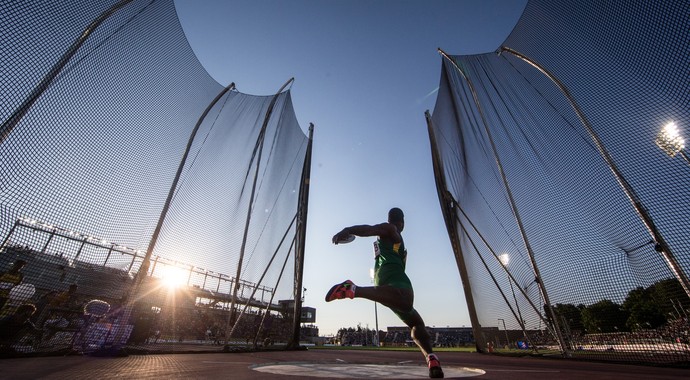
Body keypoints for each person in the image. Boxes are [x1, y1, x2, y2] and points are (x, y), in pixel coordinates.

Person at [326, 207, 444, 378]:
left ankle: (432, 359)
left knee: (417, 323)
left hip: (388, 282)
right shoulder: (391, 229)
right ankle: (353, 289)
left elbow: (374, 234)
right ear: (401, 221)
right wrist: (349, 230)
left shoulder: (393, 238)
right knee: (406, 302)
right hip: (393, 277)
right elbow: (370, 229)